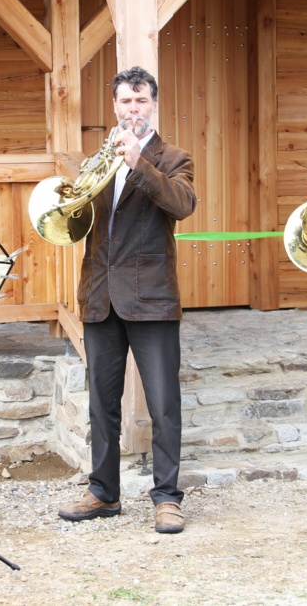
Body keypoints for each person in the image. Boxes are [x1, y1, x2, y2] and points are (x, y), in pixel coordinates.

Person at [57, 66, 197, 534]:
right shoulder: (96, 160)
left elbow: (182, 205)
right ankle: (103, 492)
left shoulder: (173, 158)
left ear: (153, 104)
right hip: (101, 295)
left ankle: (167, 497)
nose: (132, 108)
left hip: (152, 297)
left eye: (140, 100)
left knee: (163, 404)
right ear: (114, 106)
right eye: (124, 101)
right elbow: (80, 223)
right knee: (102, 403)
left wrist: (140, 164)